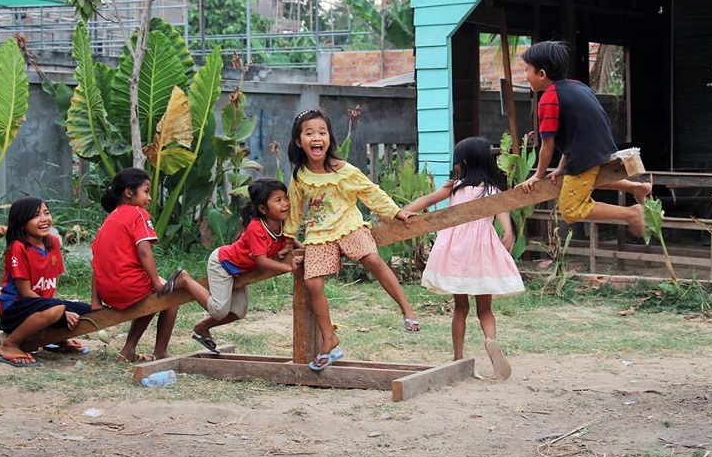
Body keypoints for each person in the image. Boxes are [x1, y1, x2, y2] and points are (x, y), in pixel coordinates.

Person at [285, 108, 419, 371]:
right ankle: (329, 338)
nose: (316, 137)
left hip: (349, 225)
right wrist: (288, 239)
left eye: (322, 132)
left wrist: (395, 212)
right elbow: (294, 210)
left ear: (329, 139)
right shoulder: (300, 176)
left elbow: (371, 192)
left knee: (372, 259)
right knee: (312, 283)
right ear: (299, 141)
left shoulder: (343, 170)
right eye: (309, 133)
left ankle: (407, 309)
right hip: (319, 233)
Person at [404, 137, 524, 380]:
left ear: (464, 163)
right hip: (481, 253)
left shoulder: (454, 187)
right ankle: (490, 340)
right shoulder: (491, 190)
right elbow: (503, 215)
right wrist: (509, 232)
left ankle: (458, 358)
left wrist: (404, 212)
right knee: (485, 309)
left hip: (457, 253)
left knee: (460, 307)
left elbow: (427, 201)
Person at [518, 40, 651, 237]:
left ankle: (631, 213)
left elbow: (547, 146)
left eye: (527, 70)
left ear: (541, 74)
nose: (525, 76)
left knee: (571, 208)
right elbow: (573, 133)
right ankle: (635, 187)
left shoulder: (548, 99)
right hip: (601, 147)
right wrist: (562, 168)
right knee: (581, 180)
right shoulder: (577, 86)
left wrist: (538, 175)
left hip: (585, 154)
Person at [91, 168, 206, 362]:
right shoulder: (138, 213)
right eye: (145, 191)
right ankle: (160, 350)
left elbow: (95, 260)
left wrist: (96, 302)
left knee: (152, 299)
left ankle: (128, 351)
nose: (149, 198)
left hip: (108, 291)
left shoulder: (110, 219)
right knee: (171, 297)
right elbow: (144, 250)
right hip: (128, 287)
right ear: (129, 192)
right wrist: (155, 283)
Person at [188, 177, 302, 353]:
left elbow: (291, 239)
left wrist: (304, 250)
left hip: (241, 270)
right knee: (219, 311)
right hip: (223, 264)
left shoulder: (282, 221)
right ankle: (184, 281)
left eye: (285, 197)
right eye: (278, 200)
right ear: (263, 208)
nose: (285, 203)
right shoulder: (256, 228)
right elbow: (262, 261)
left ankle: (202, 328)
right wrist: (289, 268)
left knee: (239, 312)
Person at [0, 197, 93, 367]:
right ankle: (9, 345)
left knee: (88, 311)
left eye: (46, 213)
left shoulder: (53, 243)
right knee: (58, 309)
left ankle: (52, 338)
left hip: (44, 307)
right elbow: (25, 293)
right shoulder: (18, 247)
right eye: (36, 215)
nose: (44, 219)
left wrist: (59, 311)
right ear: (22, 223)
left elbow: (51, 288)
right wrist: (60, 312)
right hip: (15, 310)